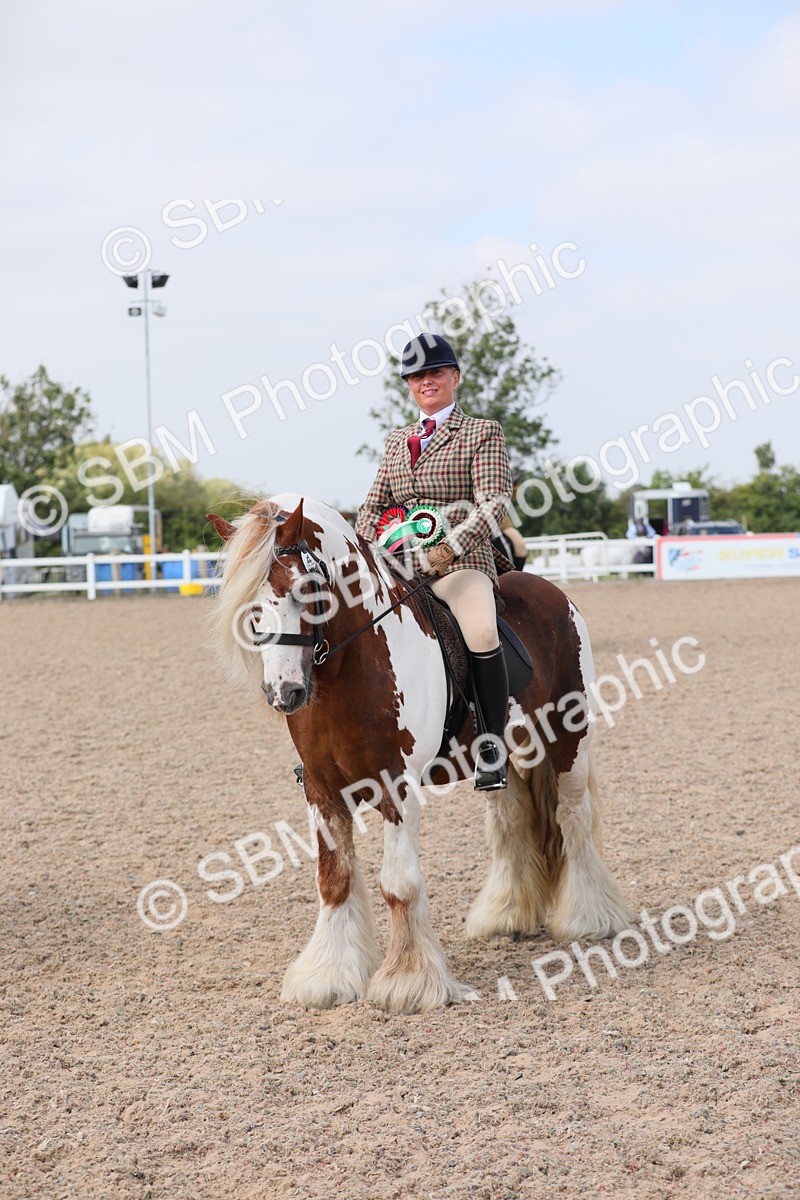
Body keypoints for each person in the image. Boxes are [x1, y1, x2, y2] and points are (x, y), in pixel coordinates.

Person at [355, 333, 512, 790]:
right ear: (409, 385)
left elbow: (494, 502)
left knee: (481, 630)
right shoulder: (396, 441)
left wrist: (448, 548)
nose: (426, 381)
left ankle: (490, 745)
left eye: (435, 373)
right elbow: (371, 505)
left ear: (454, 378)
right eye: (417, 376)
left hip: (459, 566)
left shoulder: (482, 432)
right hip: (398, 567)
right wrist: (366, 548)